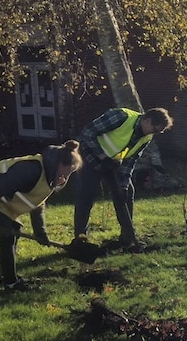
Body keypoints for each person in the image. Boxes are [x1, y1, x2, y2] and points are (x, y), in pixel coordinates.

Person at [0, 141, 84, 291]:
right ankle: (11, 284)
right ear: (59, 163)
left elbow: (37, 204)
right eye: (66, 172)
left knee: (13, 230)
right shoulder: (31, 169)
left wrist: (41, 234)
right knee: (7, 236)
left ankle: (10, 278)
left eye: (70, 173)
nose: (66, 177)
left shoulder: (50, 176)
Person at [73, 107, 173, 252]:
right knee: (86, 195)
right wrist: (102, 156)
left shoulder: (147, 137)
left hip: (110, 162)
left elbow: (130, 160)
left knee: (126, 194)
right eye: (155, 129)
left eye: (158, 132)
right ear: (148, 120)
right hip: (88, 156)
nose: (155, 133)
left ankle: (127, 238)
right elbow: (87, 133)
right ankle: (80, 239)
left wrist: (123, 185)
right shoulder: (121, 117)